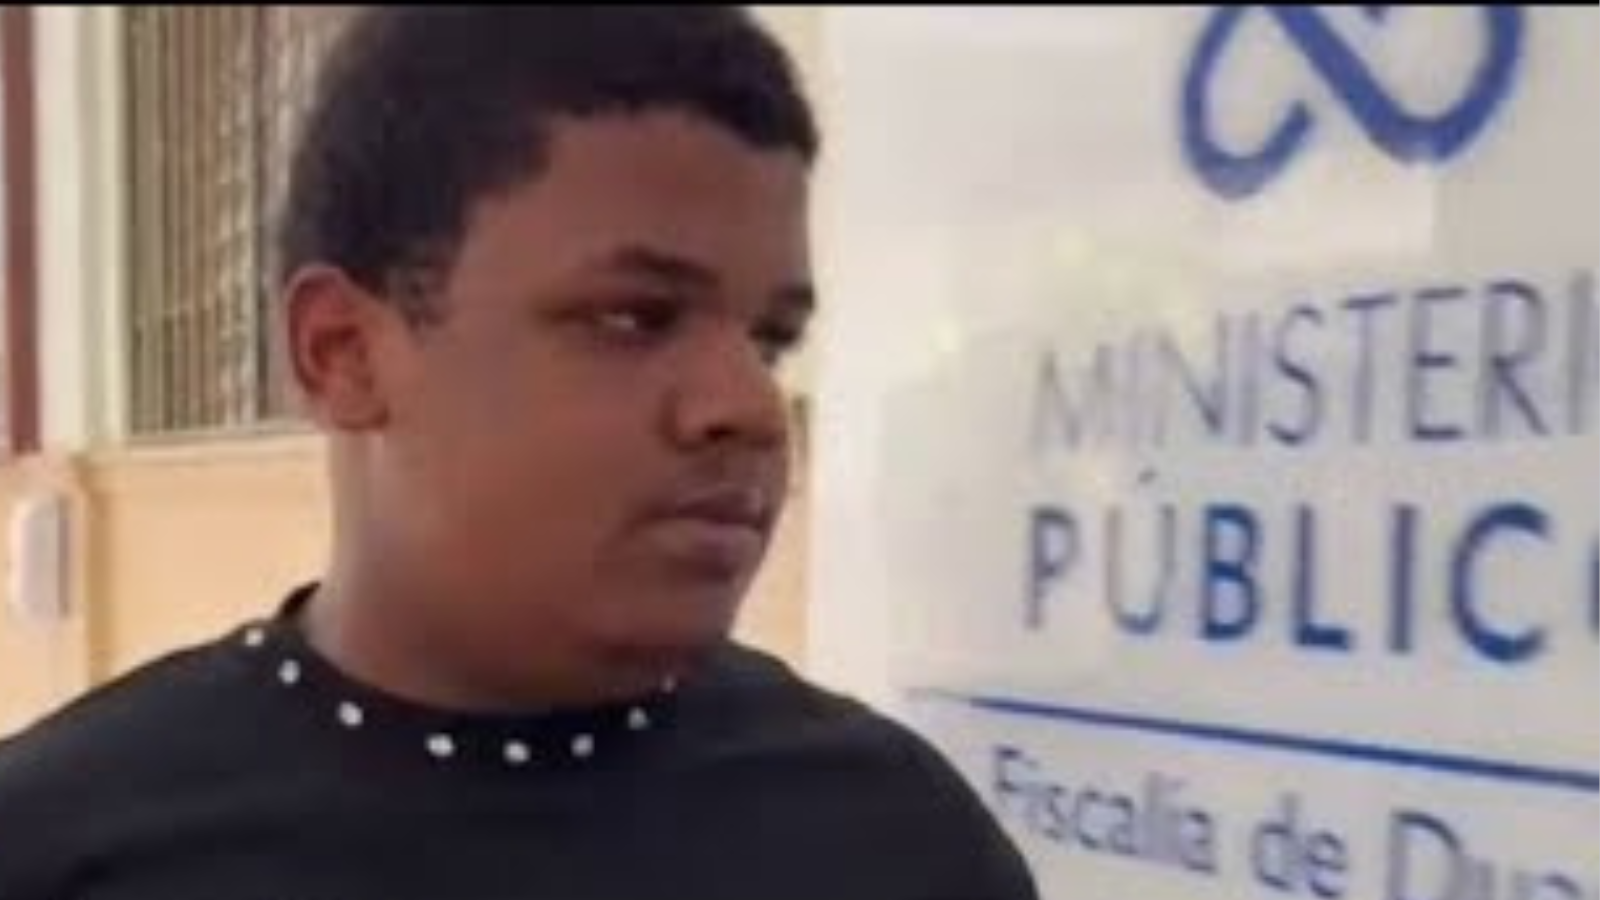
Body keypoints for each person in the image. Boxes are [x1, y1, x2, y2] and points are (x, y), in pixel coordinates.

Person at [0, 7, 1038, 899]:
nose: (749, 407)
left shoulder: (898, 842)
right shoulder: (62, 849)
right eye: (634, 317)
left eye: (770, 339)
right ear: (343, 352)